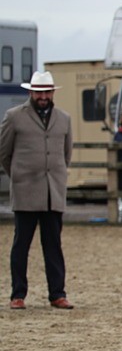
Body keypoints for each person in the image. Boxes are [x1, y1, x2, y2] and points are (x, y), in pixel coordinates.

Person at [0, 70, 74, 310]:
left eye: (47, 91)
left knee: (53, 245)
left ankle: (57, 294)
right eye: (39, 92)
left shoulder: (64, 118)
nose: (43, 96)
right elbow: (4, 152)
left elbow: (66, 153)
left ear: (52, 92)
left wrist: (57, 174)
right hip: (25, 191)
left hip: (53, 191)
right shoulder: (13, 117)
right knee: (21, 245)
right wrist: (18, 175)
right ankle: (18, 294)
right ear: (31, 92)